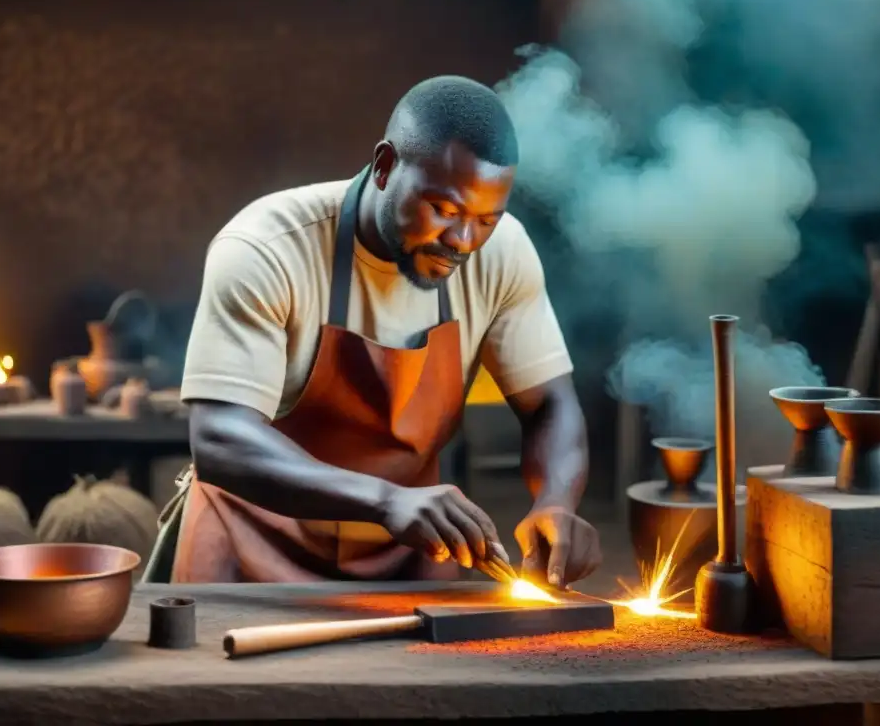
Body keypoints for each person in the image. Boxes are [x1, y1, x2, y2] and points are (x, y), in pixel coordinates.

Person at [143, 75, 602, 588]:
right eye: (444, 211)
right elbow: (219, 438)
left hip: (405, 548)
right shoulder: (265, 247)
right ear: (384, 167)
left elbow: (550, 404)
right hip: (251, 541)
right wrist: (385, 500)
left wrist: (556, 502)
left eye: (486, 219)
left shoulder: (502, 253)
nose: (464, 241)